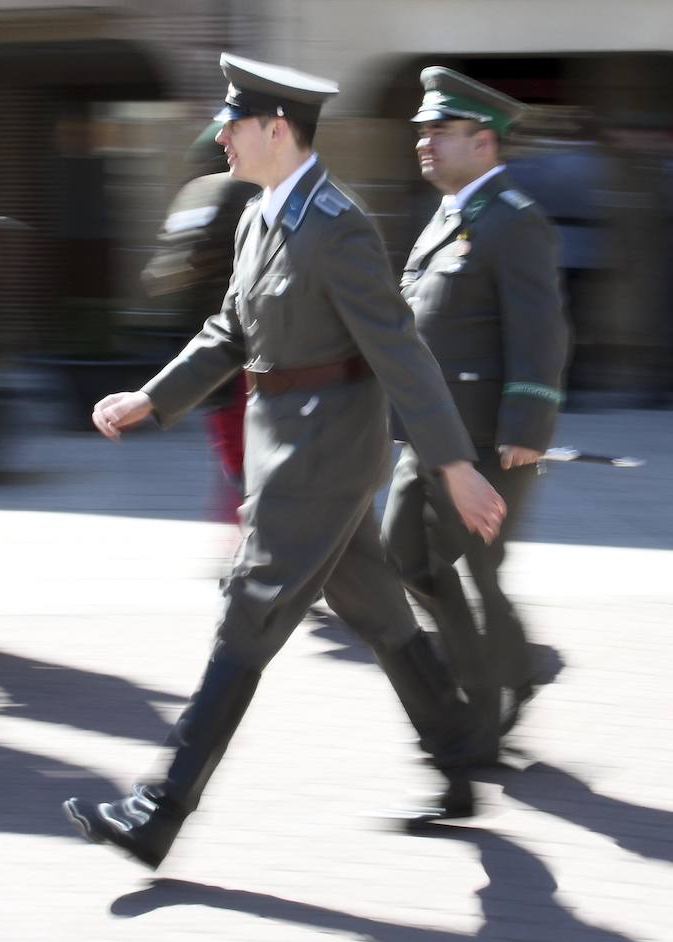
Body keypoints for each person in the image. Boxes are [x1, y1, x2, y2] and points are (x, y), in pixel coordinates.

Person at [61, 53, 506, 870]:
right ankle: (463, 755)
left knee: (249, 611)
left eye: (234, 122)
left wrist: (453, 463)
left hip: (326, 451)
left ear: (276, 128)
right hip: (281, 437)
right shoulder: (258, 216)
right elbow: (229, 332)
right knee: (378, 610)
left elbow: (400, 351)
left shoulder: (338, 226)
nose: (221, 134)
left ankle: (157, 812)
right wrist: (151, 398)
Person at [382, 69, 568, 750]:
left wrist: (527, 428)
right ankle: (511, 668)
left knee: (468, 571)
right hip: (428, 437)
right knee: (406, 559)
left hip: (489, 441)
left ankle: (481, 717)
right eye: (423, 131)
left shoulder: (515, 221)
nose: (424, 143)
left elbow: (541, 331)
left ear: (483, 142)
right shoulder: (446, 215)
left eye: (440, 131)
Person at [141, 119, 261, 515]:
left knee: (237, 458)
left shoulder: (199, 192)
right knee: (254, 464)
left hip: (209, 355)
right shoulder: (253, 192)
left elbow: (162, 274)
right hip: (254, 354)